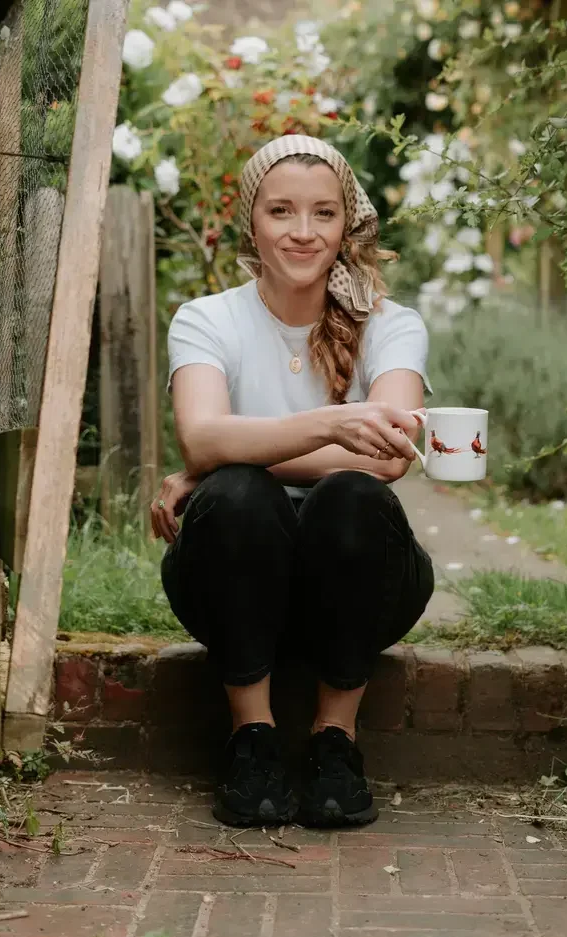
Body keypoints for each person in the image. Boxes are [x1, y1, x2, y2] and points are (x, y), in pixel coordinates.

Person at [151, 134, 434, 829]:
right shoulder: (206, 319)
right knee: (239, 499)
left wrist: (222, 455)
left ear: (348, 223)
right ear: (253, 220)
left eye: (323, 214)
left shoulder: (390, 325)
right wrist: (331, 427)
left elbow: (391, 455)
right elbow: (202, 434)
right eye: (281, 212)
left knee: (352, 496)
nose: (303, 233)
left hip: (361, 584)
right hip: (234, 582)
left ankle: (336, 742)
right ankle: (252, 740)